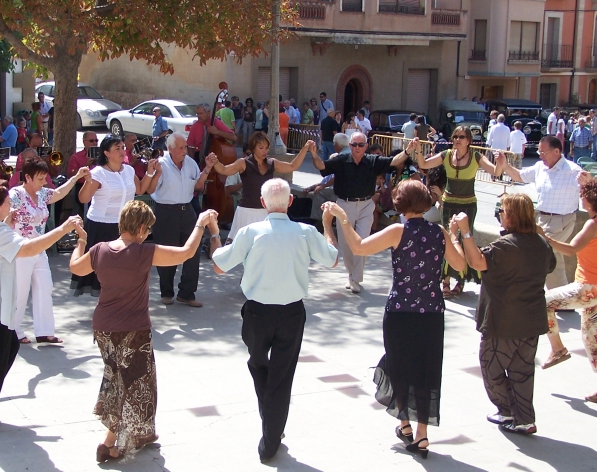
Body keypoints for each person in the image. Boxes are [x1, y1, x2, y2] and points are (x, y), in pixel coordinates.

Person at [69, 201, 220, 461]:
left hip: (103, 327)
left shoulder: (99, 250)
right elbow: (186, 252)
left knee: (120, 379)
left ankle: (142, 433)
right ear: (140, 228)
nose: (148, 234)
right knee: (132, 385)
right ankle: (109, 442)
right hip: (133, 330)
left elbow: (75, 267)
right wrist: (200, 223)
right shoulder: (143, 252)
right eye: (147, 230)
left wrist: (81, 241)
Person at [329, 181, 464, 457]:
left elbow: (359, 247)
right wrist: (457, 236)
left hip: (401, 311)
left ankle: (405, 425)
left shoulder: (397, 231)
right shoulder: (438, 232)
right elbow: (461, 265)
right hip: (432, 312)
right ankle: (422, 434)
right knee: (427, 369)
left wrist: (343, 219)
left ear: (401, 203)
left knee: (399, 365)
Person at [211, 179, 340, 463]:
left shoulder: (250, 232)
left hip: (258, 313)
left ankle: (270, 433)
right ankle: (272, 427)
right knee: (281, 377)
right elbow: (332, 259)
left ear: (262, 203)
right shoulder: (305, 231)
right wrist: (328, 225)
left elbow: (219, 265)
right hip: (291, 313)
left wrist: (213, 233)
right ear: (290, 202)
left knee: (260, 366)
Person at [0, 180, 78, 431]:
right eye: (6, 202)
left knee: (7, 348)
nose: (10, 205)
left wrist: (6, 225)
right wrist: (63, 229)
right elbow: (28, 248)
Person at [450, 194, 554, 435]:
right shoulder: (541, 244)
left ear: (513, 216)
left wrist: (465, 231)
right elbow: (550, 265)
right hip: (531, 320)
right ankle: (524, 418)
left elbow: (476, 262)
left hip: (503, 322)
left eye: (503, 211)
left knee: (491, 368)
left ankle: (508, 409)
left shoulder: (505, 247)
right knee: (522, 371)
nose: (500, 215)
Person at [537, 177, 597, 407]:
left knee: (545, 302)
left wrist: (545, 237)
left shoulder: (593, 224)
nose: (580, 198)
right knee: (592, 338)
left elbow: (571, 250)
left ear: (590, 199)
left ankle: (557, 348)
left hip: (589, 286)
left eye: (583, 195)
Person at [406, 127, 502, 297]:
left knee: (465, 240)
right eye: (455, 136)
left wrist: (501, 162)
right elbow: (424, 165)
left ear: (469, 140)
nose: (457, 139)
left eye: (462, 137)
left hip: (468, 205)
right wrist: (419, 150)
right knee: (448, 240)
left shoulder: (476, 156)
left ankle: (461, 280)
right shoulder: (447, 155)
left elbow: (495, 171)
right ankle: (445, 280)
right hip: (448, 204)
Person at [310, 132, 411, 293]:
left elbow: (393, 161)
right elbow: (322, 166)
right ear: (349, 146)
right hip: (345, 205)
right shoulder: (341, 160)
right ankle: (352, 275)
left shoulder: (372, 161)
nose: (357, 148)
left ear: (365, 146)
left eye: (360, 145)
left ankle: (356, 278)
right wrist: (314, 154)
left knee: (362, 241)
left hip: (366, 205)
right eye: (354, 144)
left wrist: (407, 151)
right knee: (346, 244)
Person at [10, 157, 90, 344]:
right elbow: (5, 214)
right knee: (20, 291)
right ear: (27, 177)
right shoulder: (16, 194)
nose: (44, 182)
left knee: (45, 287)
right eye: (39, 178)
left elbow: (59, 193)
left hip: (40, 248)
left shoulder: (43, 193)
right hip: (20, 250)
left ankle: (44, 331)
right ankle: (14, 329)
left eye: (44, 178)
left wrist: (76, 176)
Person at [73, 136, 157, 297]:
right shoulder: (98, 172)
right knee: (102, 272)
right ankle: (106, 305)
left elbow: (139, 190)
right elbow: (83, 199)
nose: (122, 151)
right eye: (117, 148)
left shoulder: (129, 170)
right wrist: (87, 181)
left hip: (125, 226)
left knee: (124, 270)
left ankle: (119, 302)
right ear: (106, 153)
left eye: (122, 147)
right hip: (101, 226)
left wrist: (150, 173)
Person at [497, 136, 582, 290]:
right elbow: (519, 176)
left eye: (544, 152)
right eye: (539, 152)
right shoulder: (539, 167)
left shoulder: (573, 171)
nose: (540, 155)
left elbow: (589, 189)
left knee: (542, 253)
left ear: (556, 151)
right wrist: (505, 165)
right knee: (553, 256)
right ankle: (560, 296)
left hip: (561, 220)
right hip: (541, 218)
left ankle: (533, 292)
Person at [146, 133, 214, 307]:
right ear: (170, 149)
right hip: (165, 212)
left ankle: (187, 293)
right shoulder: (161, 164)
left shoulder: (191, 164)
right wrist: (154, 173)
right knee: (167, 253)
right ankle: (166, 292)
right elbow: (150, 190)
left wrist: (207, 169)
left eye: (186, 147)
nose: (185, 150)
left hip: (188, 210)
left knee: (193, 252)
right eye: (182, 147)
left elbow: (198, 186)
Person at [209, 133, 316, 242]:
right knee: (241, 246)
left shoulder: (271, 162)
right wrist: (215, 162)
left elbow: (292, 166)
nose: (264, 151)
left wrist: (305, 148)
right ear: (253, 148)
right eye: (261, 148)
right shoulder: (243, 163)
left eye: (266, 148)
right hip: (246, 211)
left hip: (265, 211)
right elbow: (224, 170)